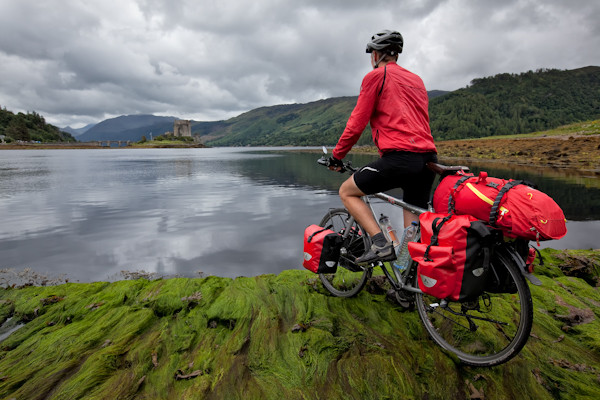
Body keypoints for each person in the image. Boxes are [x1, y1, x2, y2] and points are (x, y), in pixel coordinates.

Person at [328, 29, 437, 264]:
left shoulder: (376, 76)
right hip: (428, 160)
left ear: (376, 55)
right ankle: (410, 289)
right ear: (396, 55)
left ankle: (380, 244)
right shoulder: (416, 80)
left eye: (371, 54)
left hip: (400, 158)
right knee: (412, 236)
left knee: (347, 191)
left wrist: (337, 157)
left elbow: (356, 125)